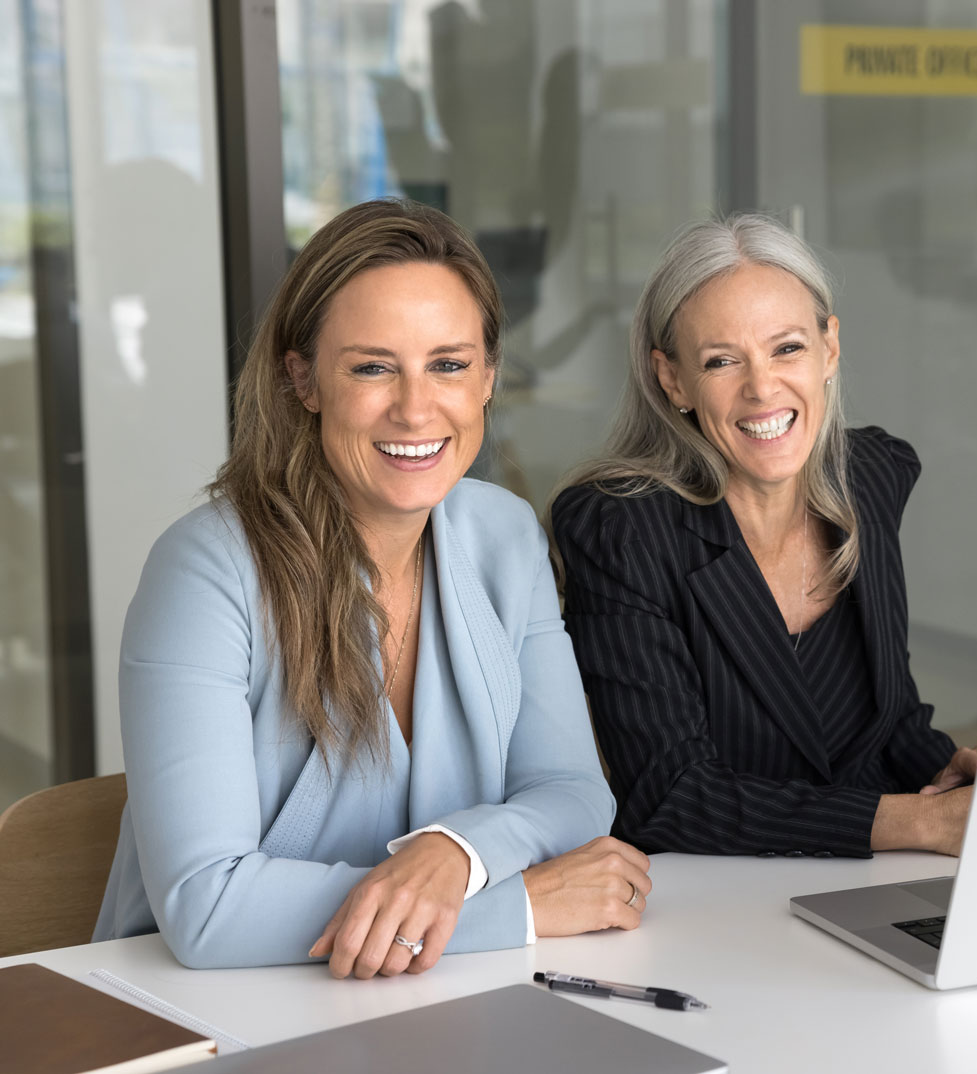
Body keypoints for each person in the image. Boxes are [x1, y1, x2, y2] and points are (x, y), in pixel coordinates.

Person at [95, 199, 650, 975]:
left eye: (449, 365)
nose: (417, 407)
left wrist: (452, 856)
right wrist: (514, 904)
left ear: (489, 376)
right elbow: (207, 908)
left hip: (429, 1003)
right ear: (303, 378)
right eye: (372, 367)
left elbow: (570, 790)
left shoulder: (506, 535)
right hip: (210, 1017)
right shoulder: (203, 572)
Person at [549, 215, 977, 858]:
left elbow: (890, 724)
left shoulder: (873, 478)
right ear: (673, 381)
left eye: (787, 348)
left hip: (871, 885)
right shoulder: (621, 532)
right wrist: (918, 824)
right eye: (722, 361)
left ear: (829, 349)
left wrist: (960, 785)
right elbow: (669, 795)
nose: (762, 388)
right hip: (717, 905)